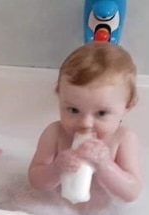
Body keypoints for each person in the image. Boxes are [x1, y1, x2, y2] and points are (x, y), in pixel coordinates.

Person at [28, 42, 143, 211]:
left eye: (101, 113)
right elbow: (35, 181)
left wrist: (105, 165)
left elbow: (131, 193)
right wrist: (56, 169)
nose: (85, 124)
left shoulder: (123, 139)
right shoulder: (54, 133)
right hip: (55, 207)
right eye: (73, 110)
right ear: (60, 99)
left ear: (127, 107)